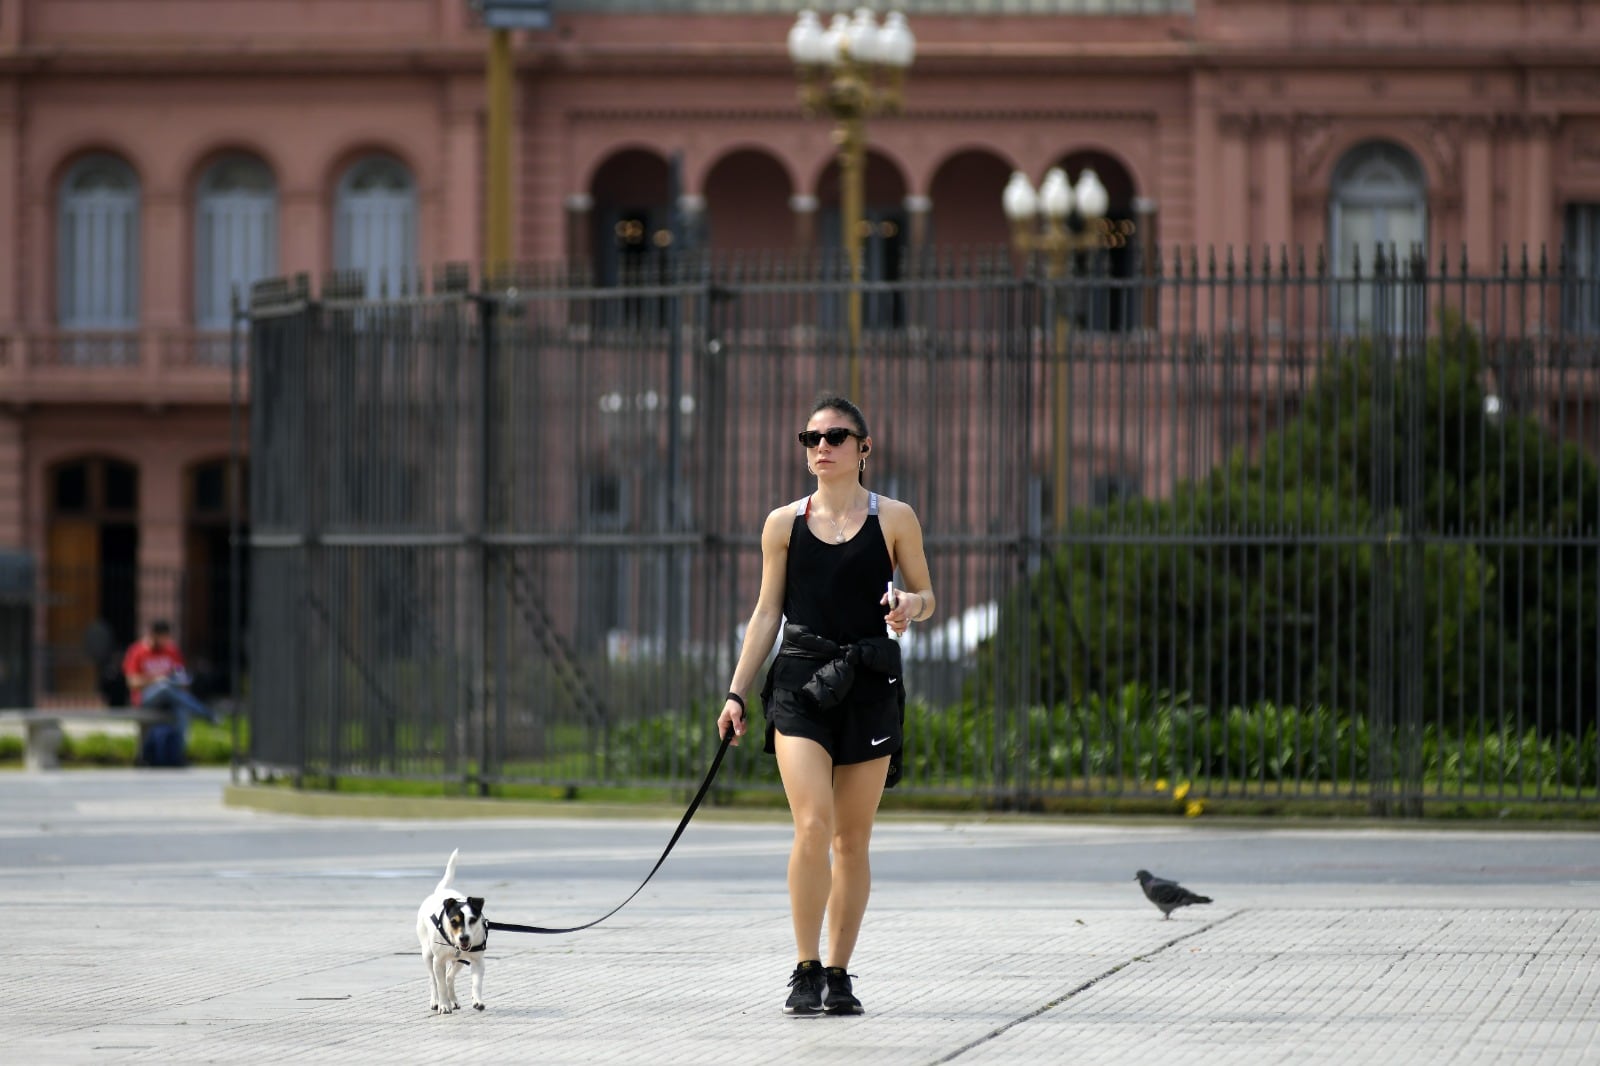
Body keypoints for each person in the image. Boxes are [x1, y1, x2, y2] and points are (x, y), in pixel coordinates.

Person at [717, 393, 935, 1017]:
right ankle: (805, 968)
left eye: (837, 436)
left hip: (869, 684)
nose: (822, 446)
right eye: (811, 438)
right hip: (801, 685)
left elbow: (927, 595)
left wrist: (909, 608)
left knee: (852, 840)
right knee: (812, 823)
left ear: (863, 448)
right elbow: (765, 614)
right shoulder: (782, 524)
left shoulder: (894, 518)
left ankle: (839, 974)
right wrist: (735, 692)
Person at [122, 619, 218, 737]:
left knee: (180, 709)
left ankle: (178, 752)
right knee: (163, 687)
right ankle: (206, 713)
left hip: (171, 699)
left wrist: (179, 681)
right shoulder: (137, 651)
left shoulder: (171, 650)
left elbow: (181, 674)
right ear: (153, 635)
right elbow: (132, 683)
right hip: (145, 699)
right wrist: (156, 680)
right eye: (162, 638)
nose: (165, 641)